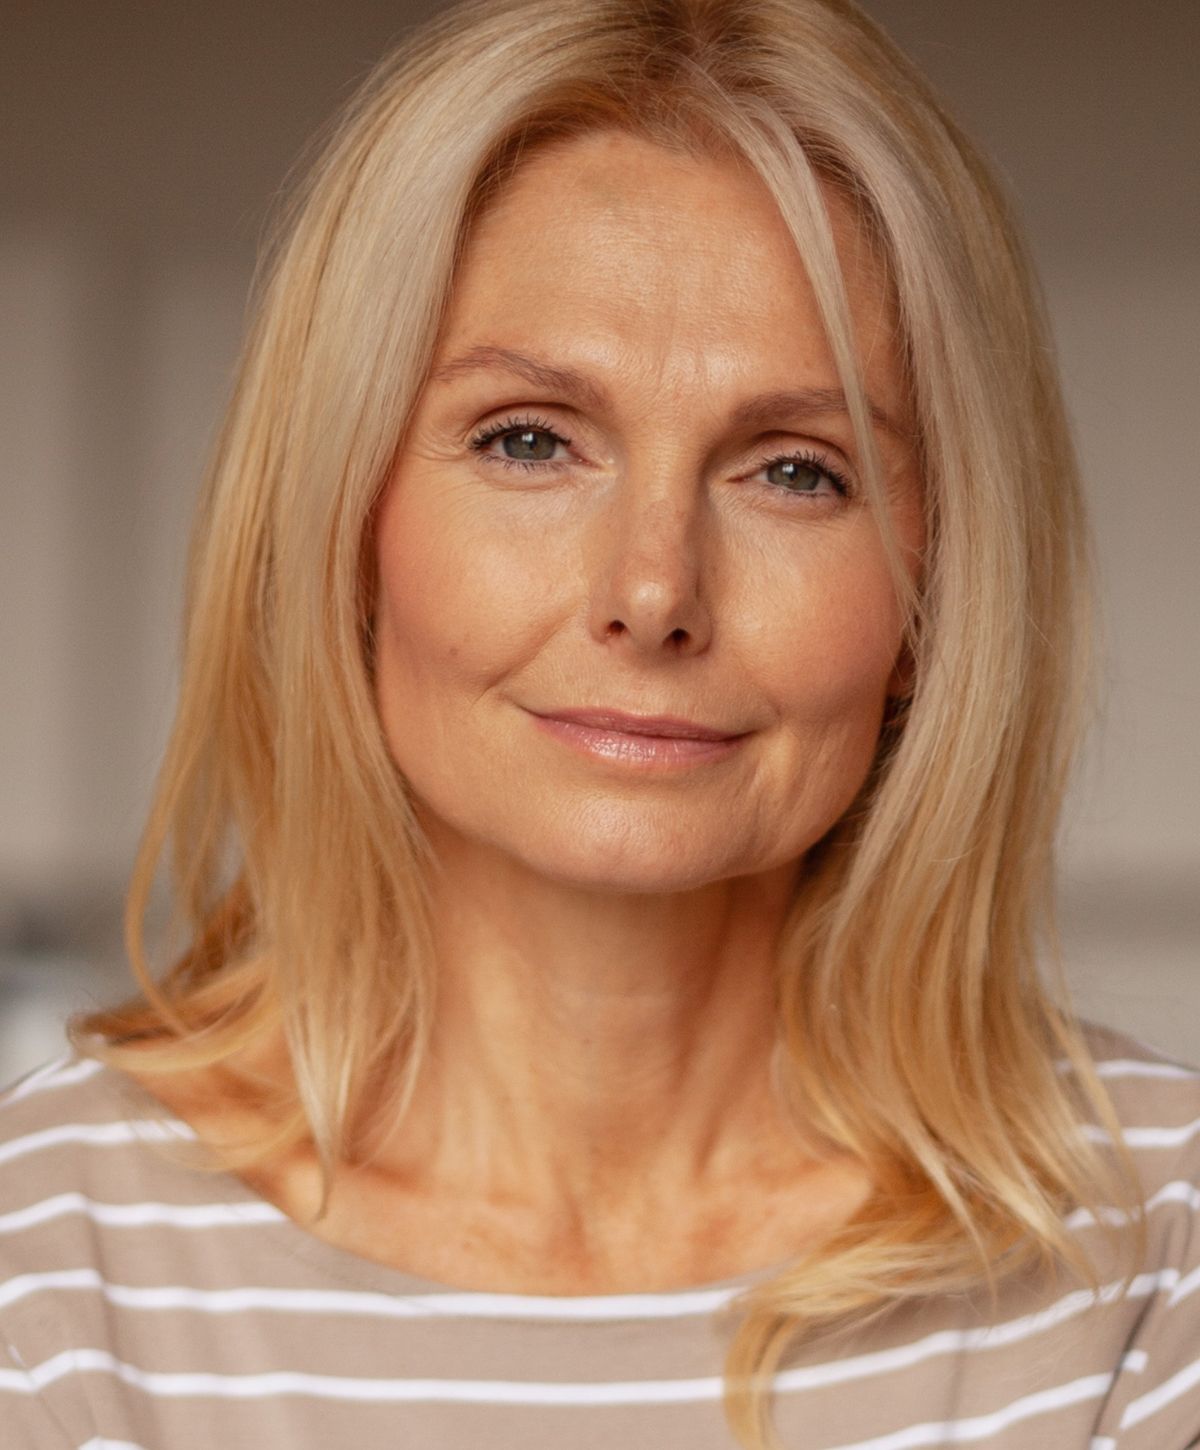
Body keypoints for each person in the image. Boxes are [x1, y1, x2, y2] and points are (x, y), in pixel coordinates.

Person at [1, 0, 1197, 1446]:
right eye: (530, 440)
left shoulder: (1157, 1247)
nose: (653, 591)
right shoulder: (48, 1259)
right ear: (343, 524)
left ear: (936, 594)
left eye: (795, 471)